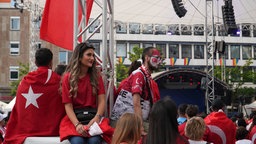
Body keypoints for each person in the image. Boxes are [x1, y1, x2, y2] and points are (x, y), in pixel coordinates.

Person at [4, 48, 66, 144]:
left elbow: (18, 109)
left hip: (26, 135)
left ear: (35, 62)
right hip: (54, 135)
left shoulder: (24, 82)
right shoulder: (59, 82)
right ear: (51, 62)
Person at [59, 42, 106, 144]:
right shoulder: (68, 78)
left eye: (93, 55)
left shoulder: (97, 76)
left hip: (93, 117)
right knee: (78, 142)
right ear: (79, 57)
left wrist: (97, 118)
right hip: (74, 120)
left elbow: (102, 101)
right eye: (89, 55)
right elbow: (68, 106)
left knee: (94, 141)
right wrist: (77, 125)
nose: (92, 58)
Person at [111, 47, 162, 133]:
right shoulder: (139, 74)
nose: (159, 61)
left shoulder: (147, 77)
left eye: (160, 59)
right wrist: (140, 126)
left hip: (132, 120)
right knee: (157, 133)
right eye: (156, 58)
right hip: (125, 122)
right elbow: (136, 103)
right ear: (147, 58)